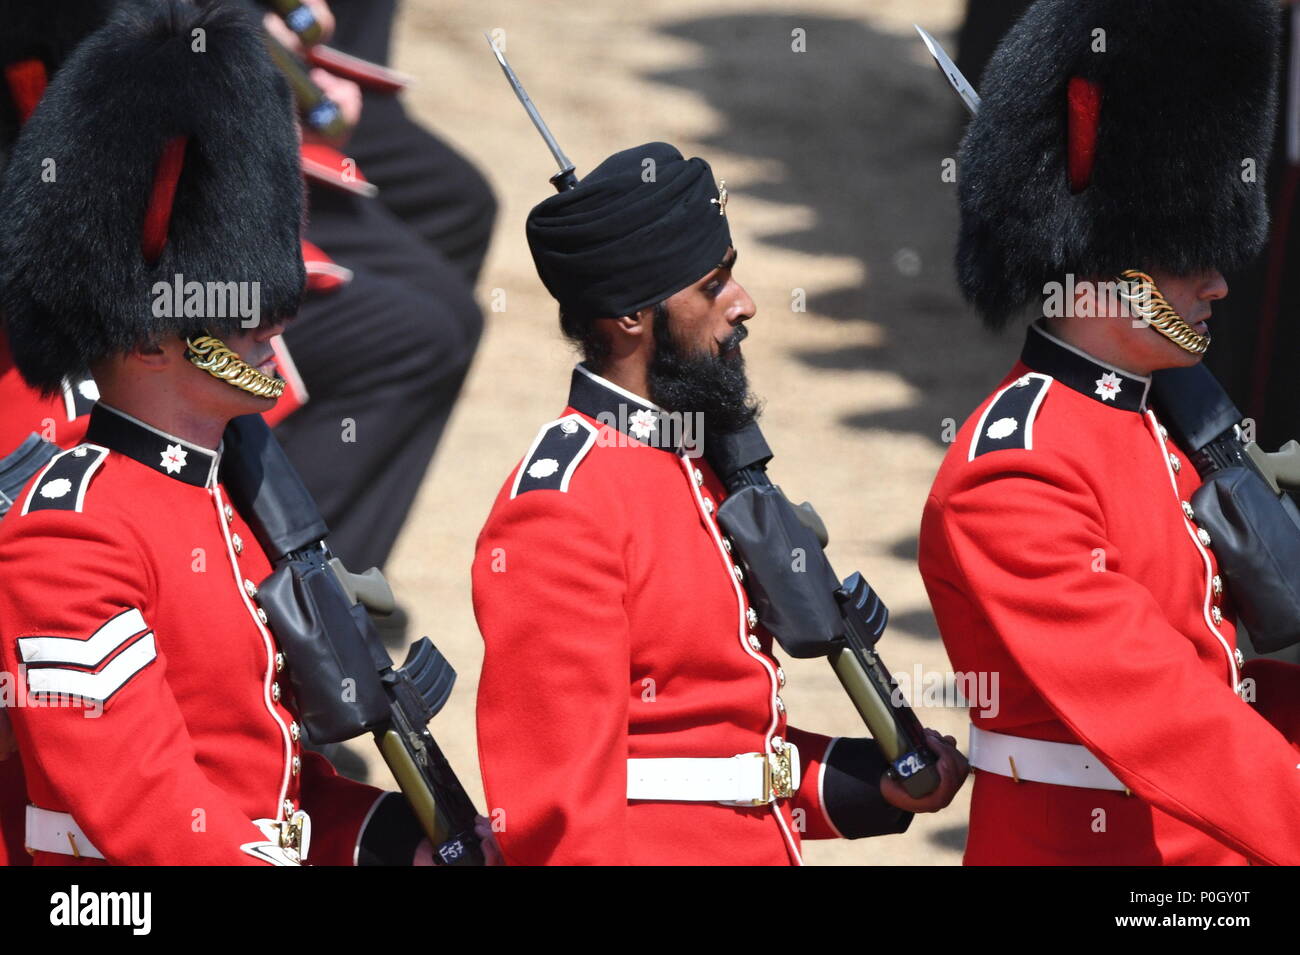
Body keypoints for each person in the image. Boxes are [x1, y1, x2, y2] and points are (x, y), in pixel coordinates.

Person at [0, 0, 440, 865]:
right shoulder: (70, 528)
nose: (270, 327)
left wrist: (398, 839)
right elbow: (144, 818)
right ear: (143, 336)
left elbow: (260, 786)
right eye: (236, 314)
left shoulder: (233, 505)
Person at [471, 142, 968, 866]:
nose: (744, 304)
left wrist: (872, 785)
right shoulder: (562, 505)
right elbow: (560, 809)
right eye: (713, 284)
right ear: (632, 318)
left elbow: (715, 750)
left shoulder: (701, 460)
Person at [918, 0, 1300, 865]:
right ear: (1108, 261)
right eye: (1186, 251)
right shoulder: (1016, 469)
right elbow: (1161, 711)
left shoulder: (1161, 420)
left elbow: (1220, 669)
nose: (1217, 282)